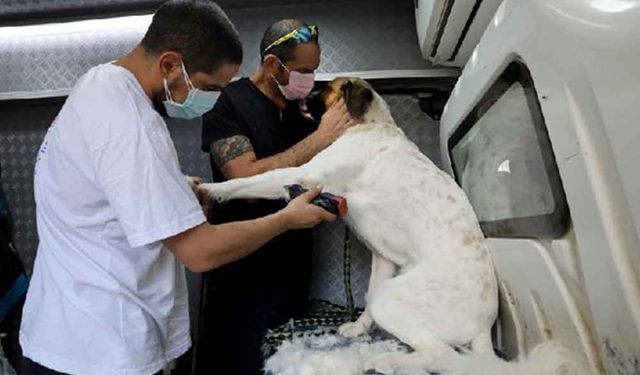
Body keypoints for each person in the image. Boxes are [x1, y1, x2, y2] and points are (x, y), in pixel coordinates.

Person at [18, 3, 335, 375]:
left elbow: (98, 190)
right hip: (101, 351)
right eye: (209, 88)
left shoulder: (98, 90)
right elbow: (199, 253)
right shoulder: (128, 121)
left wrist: (175, 188)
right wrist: (286, 219)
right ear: (170, 65)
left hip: (67, 334)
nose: (212, 100)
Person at [197, 19, 354, 374]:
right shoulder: (228, 103)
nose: (310, 79)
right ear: (271, 65)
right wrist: (320, 138)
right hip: (242, 272)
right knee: (241, 362)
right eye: (302, 71)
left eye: (314, 71)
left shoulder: (303, 111)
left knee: (287, 363)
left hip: (294, 270)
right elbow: (244, 176)